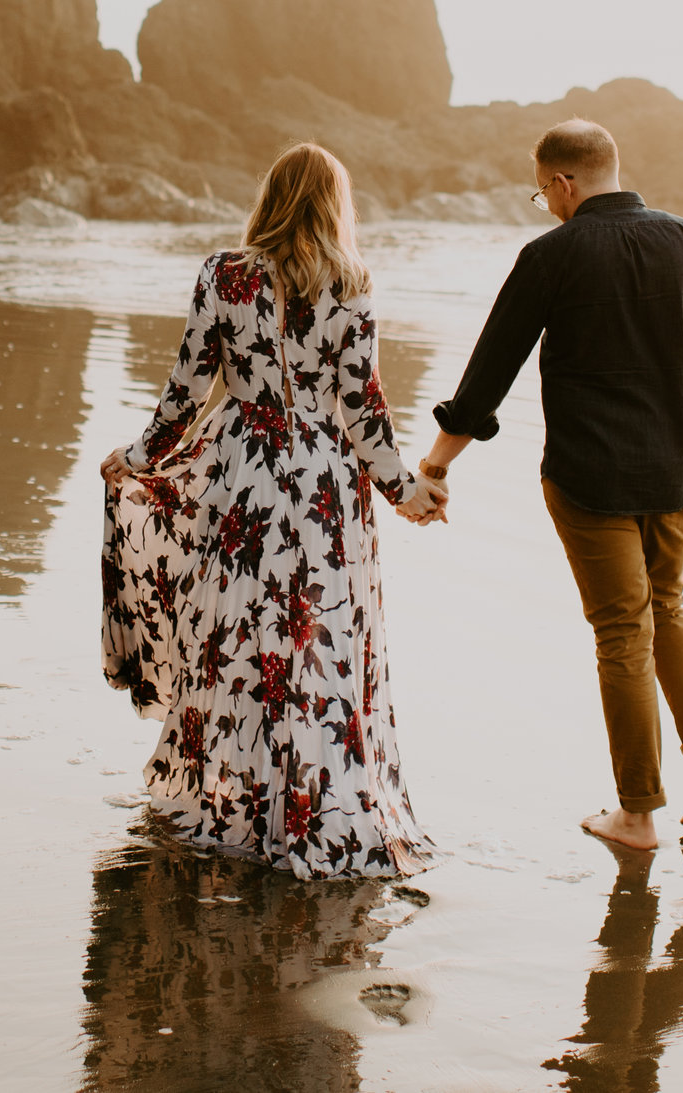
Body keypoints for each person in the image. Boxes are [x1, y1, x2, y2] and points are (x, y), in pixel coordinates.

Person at [420, 119, 683, 852]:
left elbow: (491, 370)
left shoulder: (550, 255)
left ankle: (639, 813)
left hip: (589, 477)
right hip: (677, 470)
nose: (547, 204)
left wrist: (434, 464)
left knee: (623, 630)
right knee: (669, 607)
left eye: (543, 192)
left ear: (562, 183)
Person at [100, 142, 447, 878]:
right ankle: (313, 808)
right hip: (324, 484)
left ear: (271, 196)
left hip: (242, 475)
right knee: (316, 641)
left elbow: (188, 388)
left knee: (236, 636)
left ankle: (233, 804)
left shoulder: (222, 272)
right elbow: (362, 407)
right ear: (335, 203)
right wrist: (406, 492)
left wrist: (139, 458)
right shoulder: (351, 281)